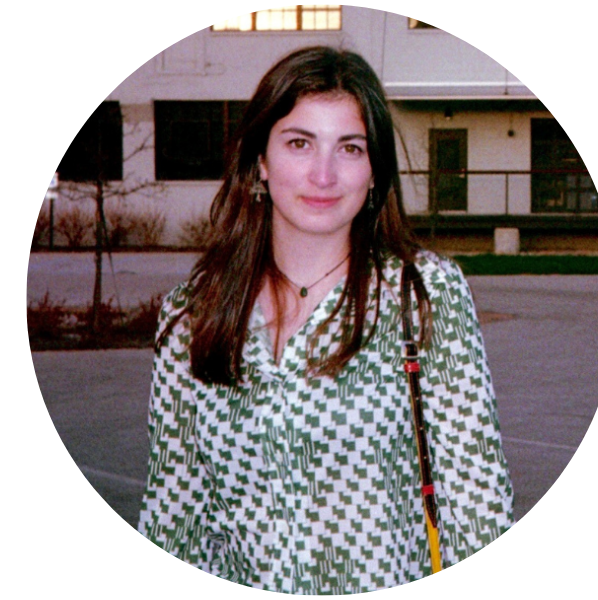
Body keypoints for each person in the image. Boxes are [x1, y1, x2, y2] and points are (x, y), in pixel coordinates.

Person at [138, 46, 514, 594]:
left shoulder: (422, 295)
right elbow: (174, 515)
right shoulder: (192, 313)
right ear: (260, 162)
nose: (323, 173)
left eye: (350, 147)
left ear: (373, 169)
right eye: (299, 143)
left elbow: (478, 510)